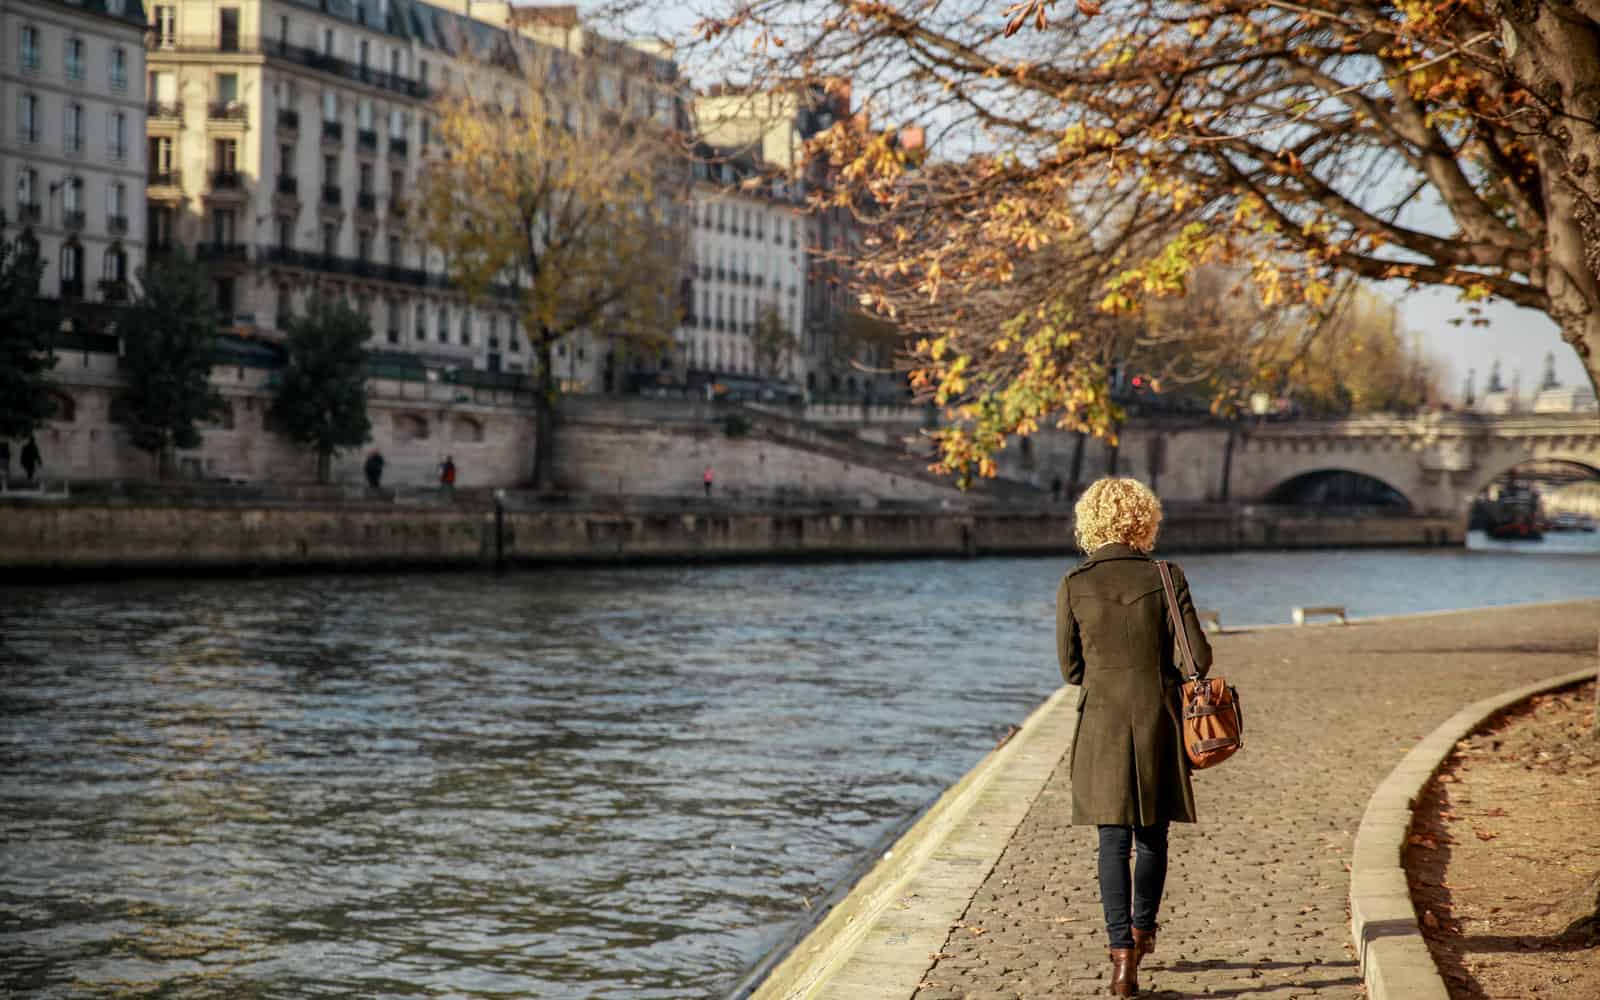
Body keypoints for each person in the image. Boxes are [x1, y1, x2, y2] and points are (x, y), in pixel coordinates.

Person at [1056, 476, 1212, 997]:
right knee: (1152, 836)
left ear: (1090, 523)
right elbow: (1199, 658)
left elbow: (1070, 668)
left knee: (1111, 841)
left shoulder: (1075, 583)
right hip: (1156, 716)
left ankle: (1121, 958)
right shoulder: (1167, 575)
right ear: (1145, 520)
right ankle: (1143, 930)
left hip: (1100, 717)